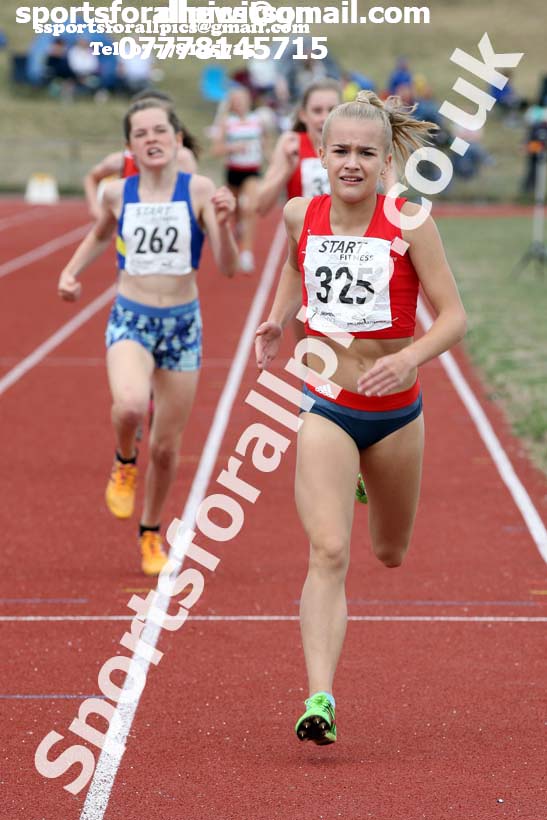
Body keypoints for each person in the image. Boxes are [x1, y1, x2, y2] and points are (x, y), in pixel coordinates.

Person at [255, 91, 467, 745]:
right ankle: (320, 697)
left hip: (396, 413)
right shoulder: (300, 212)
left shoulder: (408, 221)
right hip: (326, 405)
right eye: (340, 150)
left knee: (389, 552)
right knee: (328, 551)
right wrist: (278, 316)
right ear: (319, 153)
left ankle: (363, 478)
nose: (351, 163)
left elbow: (454, 318)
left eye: (365, 153)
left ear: (385, 160)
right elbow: (296, 268)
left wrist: (409, 359)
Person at [58, 99, 239, 576]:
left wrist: (222, 223)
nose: (153, 139)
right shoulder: (119, 193)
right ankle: (123, 459)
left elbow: (226, 266)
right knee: (133, 405)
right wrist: (71, 271)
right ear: (130, 147)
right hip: (132, 319)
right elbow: (101, 235)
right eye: (142, 134)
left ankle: (151, 531)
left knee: (165, 446)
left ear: (178, 139)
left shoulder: (199, 189)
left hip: (182, 326)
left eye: (161, 130)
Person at [83, 90, 198, 220]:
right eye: (141, 132)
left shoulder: (183, 158)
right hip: (129, 238)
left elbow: (193, 200)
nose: (151, 138)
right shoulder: (121, 160)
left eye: (158, 129)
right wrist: (95, 209)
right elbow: (91, 177)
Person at [211, 85, 265, 273]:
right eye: (236, 101)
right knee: (234, 210)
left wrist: (271, 158)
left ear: (249, 101)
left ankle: (246, 253)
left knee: (249, 207)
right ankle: (239, 228)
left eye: (243, 100)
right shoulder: (226, 123)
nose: (240, 104)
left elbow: (265, 143)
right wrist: (232, 148)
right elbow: (216, 150)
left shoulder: (257, 120)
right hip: (234, 171)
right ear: (232, 104)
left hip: (252, 171)